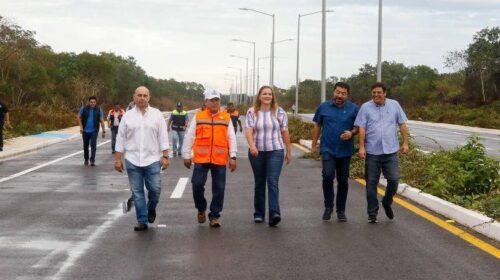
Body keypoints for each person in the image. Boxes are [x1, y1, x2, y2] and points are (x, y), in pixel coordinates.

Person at [115, 86, 170, 231]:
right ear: (134, 97)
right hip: (132, 160)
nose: (142, 98)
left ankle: (151, 208)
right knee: (137, 193)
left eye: (145, 95)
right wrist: (118, 159)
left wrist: (165, 156)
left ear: (149, 97)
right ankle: (142, 220)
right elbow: (120, 138)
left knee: (155, 189)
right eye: (139, 95)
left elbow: (163, 137)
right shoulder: (127, 116)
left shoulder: (157, 115)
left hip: (152, 159)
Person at [354, 82, 409, 223]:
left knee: (394, 180)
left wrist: (405, 143)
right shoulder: (366, 107)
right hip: (372, 152)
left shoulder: (394, 105)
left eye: (379, 92)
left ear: (385, 93)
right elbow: (362, 128)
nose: (376, 95)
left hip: (390, 151)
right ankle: (372, 213)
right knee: (371, 184)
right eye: (374, 92)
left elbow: (402, 124)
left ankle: (386, 201)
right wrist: (361, 147)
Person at [182, 89, 237, 228]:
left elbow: (231, 137)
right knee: (197, 184)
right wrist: (187, 155)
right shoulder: (199, 117)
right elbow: (190, 136)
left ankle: (214, 216)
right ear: (206, 102)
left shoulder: (226, 118)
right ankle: (201, 208)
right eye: (211, 100)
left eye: (217, 100)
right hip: (201, 159)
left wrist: (233, 156)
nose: (215, 102)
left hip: (219, 159)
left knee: (219, 188)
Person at [311, 82, 359, 222]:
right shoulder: (323, 107)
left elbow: (358, 127)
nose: (340, 95)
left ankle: (341, 210)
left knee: (343, 181)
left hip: (345, 150)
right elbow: (317, 126)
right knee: (327, 176)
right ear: (334, 92)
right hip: (327, 148)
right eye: (338, 92)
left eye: (343, 94)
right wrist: (314, 146)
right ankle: (328, 207)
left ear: (347, 95)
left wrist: (351, 133)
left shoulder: (354, 108)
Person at [245, 85, 291, 226]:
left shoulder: (280, 112)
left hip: (275, 151)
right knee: (259, 183)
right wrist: (252, 146)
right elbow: (249, 130)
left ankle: (274, 213)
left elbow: (285, 132)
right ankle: (259, 214)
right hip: (256, 152)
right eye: (264, 94)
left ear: (272, 97)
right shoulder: (252, 112)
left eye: (269, 94)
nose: (267, 96)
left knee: (272, 181)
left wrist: (288, 151)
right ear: (259, 96)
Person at [77, 96, 106, 166]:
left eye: (94, 102)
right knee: (85, 146)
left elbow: (102, 120)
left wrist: (103, 131)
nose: (92, 103)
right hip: (85, 131)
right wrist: (81, 127)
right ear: (89, 102)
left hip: (94, 131)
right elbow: (78, 117)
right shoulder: (83, 109)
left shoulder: (99, 110)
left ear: (96, 103)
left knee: (93, 145)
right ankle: (86, 159)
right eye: (91, 102)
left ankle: (92, 160)